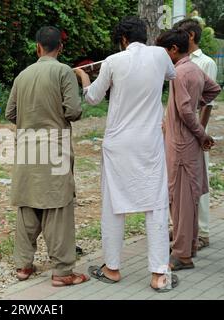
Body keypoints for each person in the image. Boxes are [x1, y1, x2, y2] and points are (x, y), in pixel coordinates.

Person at [75, 16, 178, 292]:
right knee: (156, 205)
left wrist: (84, 76)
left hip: (118, 144)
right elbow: (171, 74)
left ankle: (112, 268)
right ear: (145, 35)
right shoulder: (160, 55)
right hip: (149, 143)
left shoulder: (113, 61)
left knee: (113, 205)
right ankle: (159, 274)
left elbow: (93, 98)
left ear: (122, 39)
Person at [5, 26, 88, 287]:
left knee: (28, 206)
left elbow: (10, 113)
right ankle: (63, 272)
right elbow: (73, 111)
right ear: (59, 48)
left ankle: (23, 266)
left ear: (37, 47)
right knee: (58, 209)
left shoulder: (23, 75)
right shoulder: (63, 71)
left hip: (27, 147)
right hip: (55, 147)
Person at [156, 30, 221, 271]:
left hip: (181, 144)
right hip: (187, 144)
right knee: (189, 198)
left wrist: (201, 132)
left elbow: (184, 111)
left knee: (181, 200)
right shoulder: (193, 69)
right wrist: (198, 105)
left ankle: (182, 254)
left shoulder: (179, 73)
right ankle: (189, 246)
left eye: (164, 50)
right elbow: (214, 89)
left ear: (173, 49)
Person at [173, 18, 219, 251]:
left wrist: (200, 134)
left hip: (197, 132)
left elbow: (207, 102)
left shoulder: (205, 63)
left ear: (190, 36)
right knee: (182, 183)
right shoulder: (181, 62)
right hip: (184, 132)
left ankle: (202, 231)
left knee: (199, 183)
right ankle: (183, 227)